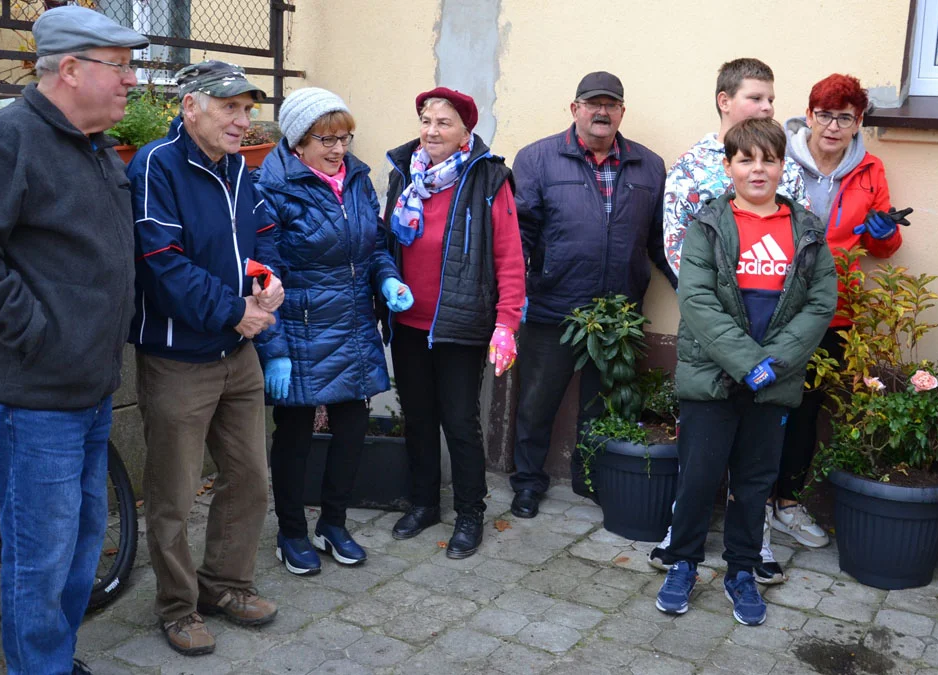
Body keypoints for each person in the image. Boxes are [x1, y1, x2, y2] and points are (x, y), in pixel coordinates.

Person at [0, 7, 146, 674]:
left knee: (80, 544)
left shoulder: (97, 148)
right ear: (70, 69)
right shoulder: (9, 138)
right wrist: (37, 331)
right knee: (40, 554)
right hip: (34, 393)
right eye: (121, 66)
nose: (133, 81)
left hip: (88, 385)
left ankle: (53, 655)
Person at [651, 118, 837, 624]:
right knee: (698, 477)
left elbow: (820, 304)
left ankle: (740, 572)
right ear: (728, 166)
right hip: (712, 378)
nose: (758, 169)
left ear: (783, 166)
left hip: (772, 382)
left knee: (754, 483)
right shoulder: (707, 227)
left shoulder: (806, 230)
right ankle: (683, 563)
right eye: (746, 159)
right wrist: (747, 362)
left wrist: (770, 366)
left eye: (769, 159)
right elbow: (697, 302)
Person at [128, 61, 285, 656]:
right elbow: (162, 262)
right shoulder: (155, 166)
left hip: (237, 353)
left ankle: (226, 586)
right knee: (173, 494)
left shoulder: (241, 171)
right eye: (230, 109)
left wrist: (268, 282)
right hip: (177, 359)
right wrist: (234, 310)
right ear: (190, 106)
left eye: (247, 110)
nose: (242, 122)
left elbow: (265, 235)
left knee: (249, 479)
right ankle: (177, 607)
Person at [655, 56, 809, 585]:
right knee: (700, 460)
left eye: (771, 98)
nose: (768, 107)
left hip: (773, 346)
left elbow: (803, 268)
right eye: (757, 98)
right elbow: (678, 254)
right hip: (713, 341)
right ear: (725, 100)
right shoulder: (693, 166)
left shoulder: (787, 174)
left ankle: (753, 546)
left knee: (756, 466)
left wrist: (770, 350)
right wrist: (732, 342)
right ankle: (682, 541)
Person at [254, 87, 412, 575]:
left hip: (352, 323)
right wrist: (273, 348)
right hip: (300, 330)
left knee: (350, 428)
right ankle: (291, 532)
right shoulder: (271, 188)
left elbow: (374, 245)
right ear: (298, 141)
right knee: (296, 434)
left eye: (345, 137)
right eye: (327, 138)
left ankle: (334, 524)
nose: (339, 148)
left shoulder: (359, 181)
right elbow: (265, 273)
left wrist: (387, 278)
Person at [508, 71, 675, 518]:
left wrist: (689, 288)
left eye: (611, 105)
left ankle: (589, 478)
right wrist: (511, 293)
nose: (602, 112)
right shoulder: (537, 159)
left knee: (602, 404)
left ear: (622, 112)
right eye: (592, 103)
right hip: (553, 305)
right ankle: (527, 482)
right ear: (575, 109)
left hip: (618, 313)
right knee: (536, 402)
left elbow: (660, 239)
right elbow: (519, 233)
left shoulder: (649, 165)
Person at [382, 87, 525, 559]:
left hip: (462, 323)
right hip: (408, 322)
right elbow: (386, 243)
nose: (431, 131)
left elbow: (508, 255)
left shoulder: (488, 177)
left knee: (460, 421)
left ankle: (469, 513)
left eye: (443, 123)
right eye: (425, 120)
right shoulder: (405, 173)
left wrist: (507, 322)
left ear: (466, 130)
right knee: (418, 417)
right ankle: (423, 502)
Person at [776, 73, 909, 549]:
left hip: (835, 308)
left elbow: (885, 249)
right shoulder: (777, 156)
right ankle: (744, 498)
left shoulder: (870, 170)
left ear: (858, 123)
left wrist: (879, 230)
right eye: (826, 115)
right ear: (809, 115)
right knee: (760, 398)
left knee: (807, 407)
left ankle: (786, 503)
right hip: (774, 300)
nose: (833, 126)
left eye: (846, 118)